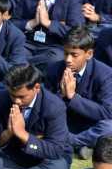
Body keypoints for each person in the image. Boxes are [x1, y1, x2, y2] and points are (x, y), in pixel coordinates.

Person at [0, 64, 71, 169]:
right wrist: (8, 133)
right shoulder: (1, 98)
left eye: (22, 96)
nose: (17, 101)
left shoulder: (54, 106)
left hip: (45, 161)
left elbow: (56, 150)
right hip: (13, 157)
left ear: (36, 87)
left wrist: (23, 135)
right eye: (13, 95)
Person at [44, 26, 112, 158]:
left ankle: (70, 142)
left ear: (89, 54)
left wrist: (73, 98)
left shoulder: (105, 74)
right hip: (65, 123)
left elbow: (107, 112)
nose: (68, 60)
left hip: (91, 125)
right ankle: (88, 145)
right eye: (65, 53)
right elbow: (46, 106)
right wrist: (62, 95)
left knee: (109, 127)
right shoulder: (54, 69)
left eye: (74, 55)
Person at [12, 0, 85, 73]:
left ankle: (26, 67)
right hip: (28, 43)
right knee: (15, 52)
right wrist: (32, 23)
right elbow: (13, 23)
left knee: (56, 59)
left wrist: (49, 23)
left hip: (54, 46)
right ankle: (28, 67)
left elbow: (77, 32)